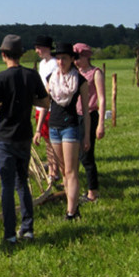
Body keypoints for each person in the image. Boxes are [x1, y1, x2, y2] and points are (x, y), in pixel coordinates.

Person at [0, 35, 49, 243]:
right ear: (20, 55)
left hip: (5, 137)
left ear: (4, 55)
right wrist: (28, 101)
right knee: (23, 182)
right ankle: (28, 229)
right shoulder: (31, 76)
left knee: (7, 186)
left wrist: (5, 105)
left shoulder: (0, 78)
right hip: (24, 135)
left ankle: (10, 234)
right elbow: (45, 102)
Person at [35, 42, 90, 220]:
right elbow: (45, 104)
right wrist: (38, 129)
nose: (60, 62)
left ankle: (71, 212)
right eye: (58, 58)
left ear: (72, 59)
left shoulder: (80, 81)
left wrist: (87, 135)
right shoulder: (51, 77)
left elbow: (87, 112)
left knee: (71, 171)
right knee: (63, 170)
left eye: (64, 58)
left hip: (71, 127)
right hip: (54, 127)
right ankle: (72, 206)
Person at [73, 43, 106, 202]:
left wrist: (101, 124)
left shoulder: (96, 73)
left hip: (90, 116)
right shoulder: (76, 73)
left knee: (87, 155)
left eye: (78, 58)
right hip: (76, 116)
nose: (76, 61)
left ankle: (93, 192)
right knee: (77, 154)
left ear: (86, 56)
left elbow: (102, 98)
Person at [34, 35, 60, 183]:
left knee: (52, 140)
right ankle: (51, 168)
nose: (37, 50)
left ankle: (54, 171)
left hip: (49, 107)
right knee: (46, 140)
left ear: (47, 48)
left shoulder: (54, 64)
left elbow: (51, 87)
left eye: (39, 47)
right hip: (41, 106)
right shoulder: (42, 64)